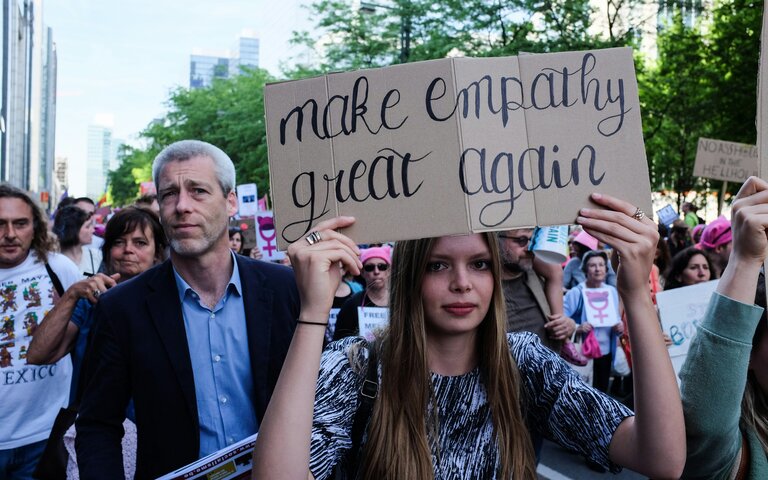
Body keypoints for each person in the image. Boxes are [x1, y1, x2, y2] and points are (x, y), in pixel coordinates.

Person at [251, 193, 686, 480]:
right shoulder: (355, 367)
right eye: (438, 265)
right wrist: (312, 311)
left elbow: (661, 458)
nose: (462, 283)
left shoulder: (523, 363)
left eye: (479, 264)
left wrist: (634, 292)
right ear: (409, 278)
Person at [75, 140, 300, 480]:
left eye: (198, 191)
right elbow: (97, 424)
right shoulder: (123, 307)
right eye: (168, 194)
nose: (181, 206)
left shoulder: (286, 289)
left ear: (231, 202)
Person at [28, 207, 168, 402]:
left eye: (140, 243)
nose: (128, 249)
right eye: (119, 242)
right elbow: (38, 354)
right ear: (108, 252)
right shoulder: (91, 300)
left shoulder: (171, 301)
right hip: (94, 420)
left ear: (157, 253)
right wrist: (71, 294)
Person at [680, 176, 768, 478]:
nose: (702, 271)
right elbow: (705, 421)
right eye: (695, 268)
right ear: (748, 357)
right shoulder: (736, 453)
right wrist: (744, 260)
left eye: (705, 267)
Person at [0, 184, 81, 478]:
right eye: (0, 224)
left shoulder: (59, 268)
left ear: (34, 226)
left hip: (43, 438)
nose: (10, 234)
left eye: (20, 223)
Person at [498, 228, 575, 352]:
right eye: (522, 240)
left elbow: (559, 322)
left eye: (533, 240)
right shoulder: (482, 289)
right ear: (497, 240)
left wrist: (567, 325)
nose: (530, 248)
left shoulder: (540, 277)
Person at [564, 250, 624, 394]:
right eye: (592, 265)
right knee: (584, 392)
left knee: (602, 391)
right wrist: (578, 327)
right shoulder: (576, 293)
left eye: (601, 265)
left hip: (606, 352)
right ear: (585, 269)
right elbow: (561, 317)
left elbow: (615, 319)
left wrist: (619, 327)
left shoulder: (611, 291)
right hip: (583, 352)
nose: (597, 269)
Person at [332, 245, 391, 340]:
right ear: (362, 272)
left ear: (388, 271)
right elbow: (339, 344)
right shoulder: (351, 305)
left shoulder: (400, 303)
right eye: (370, 267)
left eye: (382, 266)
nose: (376, 271)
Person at [53, 205, 102, 276]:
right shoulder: (52, 261)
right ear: (73, 230)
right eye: (87, 226)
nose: (93, 230)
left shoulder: (97, 256)